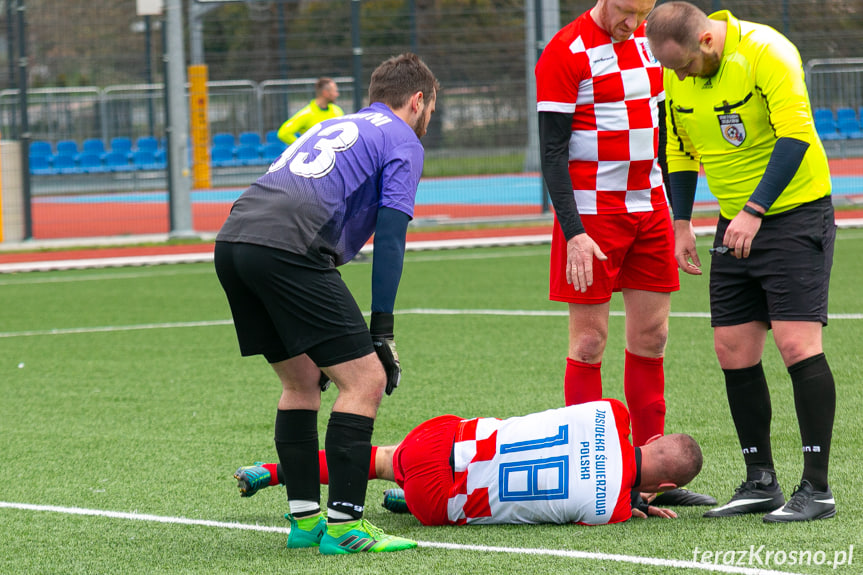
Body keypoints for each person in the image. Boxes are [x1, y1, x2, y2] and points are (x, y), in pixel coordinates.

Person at [214, 53, 439, 554]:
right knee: (366, 380)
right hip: (287, 247)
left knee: (301, 380)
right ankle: (344, 528)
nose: (429, 122)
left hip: (233, 240)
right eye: (431, 110)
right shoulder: (403, 138)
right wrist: (382, 330)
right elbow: (393, 236)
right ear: (418, 100)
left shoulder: (341, 124)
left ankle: (305, 523)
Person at [646, 2, 837, 522]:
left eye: (682, 65)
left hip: (794, 214)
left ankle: (816, 489)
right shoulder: (679, 76)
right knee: (731, 349)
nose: (678, 76)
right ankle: (761, 482)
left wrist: (754, 210)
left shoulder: (767, 51)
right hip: (736, 223)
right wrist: (681, 222)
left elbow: (796, 134)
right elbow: (680, 152)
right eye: (669, 70)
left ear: (707, 41)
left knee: (796, 344)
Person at [534, 0, 714, 508]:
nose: (634, 25)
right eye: (626, 13)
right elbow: (552, 152)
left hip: (650, 210)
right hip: (592, 217)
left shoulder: (649, 43)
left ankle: (653, 476)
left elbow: (664, 134)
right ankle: (592, 476)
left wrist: (679, 217)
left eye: (642, 12)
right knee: (589, 342)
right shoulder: (564, 53)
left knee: (653, 338)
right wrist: (573, 231)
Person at [234, 399, 704, 526]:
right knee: (459, 498)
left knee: (376, 458)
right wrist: (634, 500)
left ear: (655, 437)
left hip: (440, 444)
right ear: (662, 486)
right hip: (438, 505)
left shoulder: (610, 411)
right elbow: (603, 500)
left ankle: (273, 473)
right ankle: (404, 502)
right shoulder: (611, 511)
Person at [277, 77, 345, 145]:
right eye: (335, 91)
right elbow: (283, 133)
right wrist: (303, 147)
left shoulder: (337, 111)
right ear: (325, 93)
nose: (337, 94)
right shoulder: (307, 114)